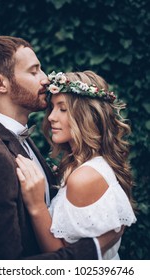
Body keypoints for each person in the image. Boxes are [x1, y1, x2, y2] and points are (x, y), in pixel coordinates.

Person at [0, 36, 122, 260]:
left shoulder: (22, 140)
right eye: (34, 71)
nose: (46, 79)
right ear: (0, 83)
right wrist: (95, 248)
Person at [16, 70, 137, 260]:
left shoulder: (84, 177)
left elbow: (63, 258)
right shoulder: (84, 164)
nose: (51, 117)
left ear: (87, 116)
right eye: (53, 108)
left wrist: (37, 206)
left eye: (63, 109)